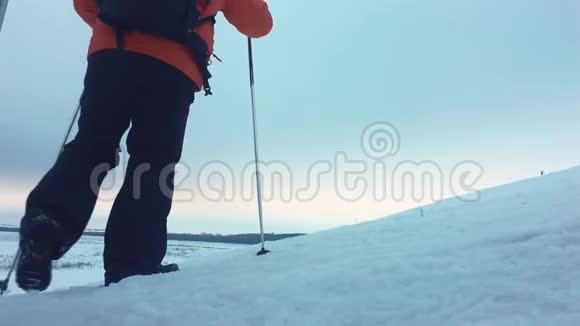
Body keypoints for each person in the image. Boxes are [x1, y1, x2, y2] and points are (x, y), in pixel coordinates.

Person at [16, 0, 273, 291]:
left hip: (112, 53)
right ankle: (132, 267)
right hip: (173, 67)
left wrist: (122, 30)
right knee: (153, 164)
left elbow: (84, 4)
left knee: (92, 143)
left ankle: (47, 224)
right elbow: (258, 25)